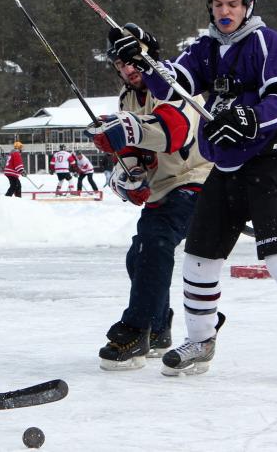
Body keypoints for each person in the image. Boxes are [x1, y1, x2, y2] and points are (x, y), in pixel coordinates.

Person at [109, 0, 277, 382]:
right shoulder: (204, 48)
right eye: (218, 4)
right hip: (225, 167)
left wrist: (248, 118)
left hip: (272, 162)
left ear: (248, 5)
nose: (225, 12)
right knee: (199, 260)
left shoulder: (266, 41)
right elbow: (171, 86)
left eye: (233, 5)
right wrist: (141, 60)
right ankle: (200, 342)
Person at [85, 41, 211, 371]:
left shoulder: (175, 84)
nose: (127, 70)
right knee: (138, 254)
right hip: (163, 187)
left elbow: (174, 134)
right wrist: (129, 173)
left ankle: (135, 331)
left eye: (133, 62)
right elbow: (134, 149)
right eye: (120, 66)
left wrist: (125, 130)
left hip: (195, 179)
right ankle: (157, 328)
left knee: (155, 242)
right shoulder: (127, 98)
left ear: (149, 58)